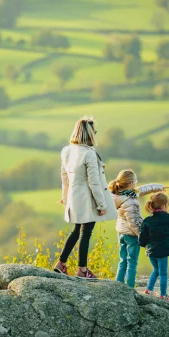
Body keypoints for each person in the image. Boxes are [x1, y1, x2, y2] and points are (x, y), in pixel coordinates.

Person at [53, 116, 117, 279]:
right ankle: (82, 270)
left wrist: (65, 197)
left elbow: (64, 176)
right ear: (89, 134)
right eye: (94, 131)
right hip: (88, 197)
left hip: (74, 196)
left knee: (76, 230)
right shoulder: (89, 153)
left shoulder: (66, 151)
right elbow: (94, 182)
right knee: (86, 232)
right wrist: (101, 205)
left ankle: (61, 263)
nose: (96, 134)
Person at [109, 169, 165, 288]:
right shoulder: (130, 200)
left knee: (122, 260)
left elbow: (143, 189)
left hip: (121, 232)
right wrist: (142, 237)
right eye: (135, 181)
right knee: (132, 263)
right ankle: (129, 288)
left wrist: (159, 187)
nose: (136, 184)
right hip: (132, 234)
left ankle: (117, 286)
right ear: (130, 184)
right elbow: (133, 223)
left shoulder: (119, 194)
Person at [139, 192, 169, 300]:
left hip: (151, 252)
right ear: (164, 205)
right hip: (162, 252)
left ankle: (149, 290)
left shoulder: (147, 220)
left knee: (156, 270)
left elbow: (142, 237)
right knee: (163, 273)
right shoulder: (168, 218)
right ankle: (163, 295)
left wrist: (144, 245)